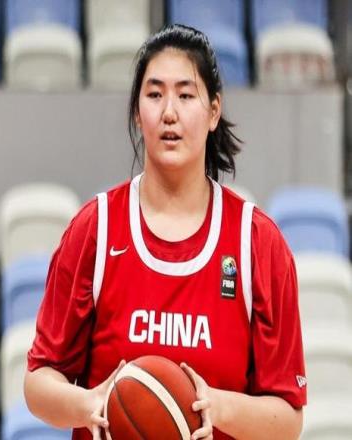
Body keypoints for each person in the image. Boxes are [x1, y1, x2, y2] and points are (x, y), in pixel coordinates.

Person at [24, 24, 306, 440]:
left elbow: (289, 420)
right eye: (155, 95)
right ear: (137, 113)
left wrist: (218, 407)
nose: (169, 112)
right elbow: (38, 383)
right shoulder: (96, 229)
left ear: (213, 111)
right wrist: (90, 403)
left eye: (186, 95)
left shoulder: (257, 243)